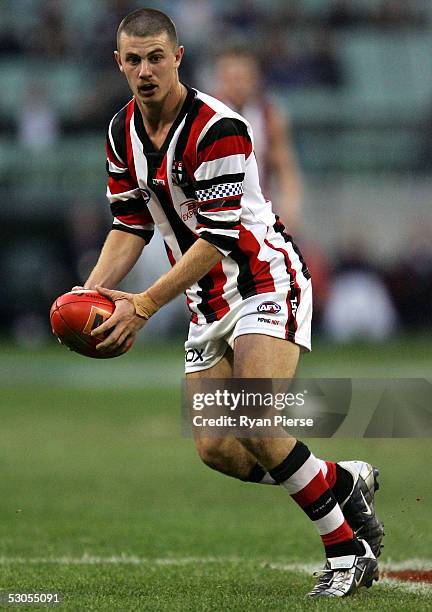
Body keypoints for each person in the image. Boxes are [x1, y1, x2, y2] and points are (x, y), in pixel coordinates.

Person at [77, 8, 383, 597]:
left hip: (265, 282)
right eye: (133, 60)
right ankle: (338, 481)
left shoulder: (219, 126)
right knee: (218, 448)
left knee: (254, 418)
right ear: (119, 63)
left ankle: (347, 550)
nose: (145, 71)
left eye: (156, 58)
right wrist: (92, 296)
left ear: (178, 58)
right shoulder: (120, 133)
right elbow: (129, 225)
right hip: (205, 301)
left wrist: (139, 306)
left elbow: (216, 242)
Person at [213, 47, 303, 231]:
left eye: (243, 78)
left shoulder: (269, 116)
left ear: (255, 79)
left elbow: (286, 169)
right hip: (214, 210)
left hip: (257, 212)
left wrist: (290, 212)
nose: (238, 85)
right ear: (221, 79)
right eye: (232, 78)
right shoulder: (204, 114)